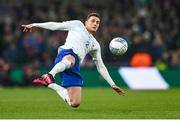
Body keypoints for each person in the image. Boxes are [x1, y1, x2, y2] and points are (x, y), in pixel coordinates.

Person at [21, 13, 125, 108]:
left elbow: (101, 66)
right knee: (71, 58)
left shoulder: (95, 45)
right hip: (66, 54)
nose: (95, 24)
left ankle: (51, 84)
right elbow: (56, 25)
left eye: (97, 22)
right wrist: (34, 25)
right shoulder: (78, 25)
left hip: (74, 66)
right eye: (92, 21)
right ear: (86, 22)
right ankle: (49, 75)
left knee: (74, 103)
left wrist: (112, 84)